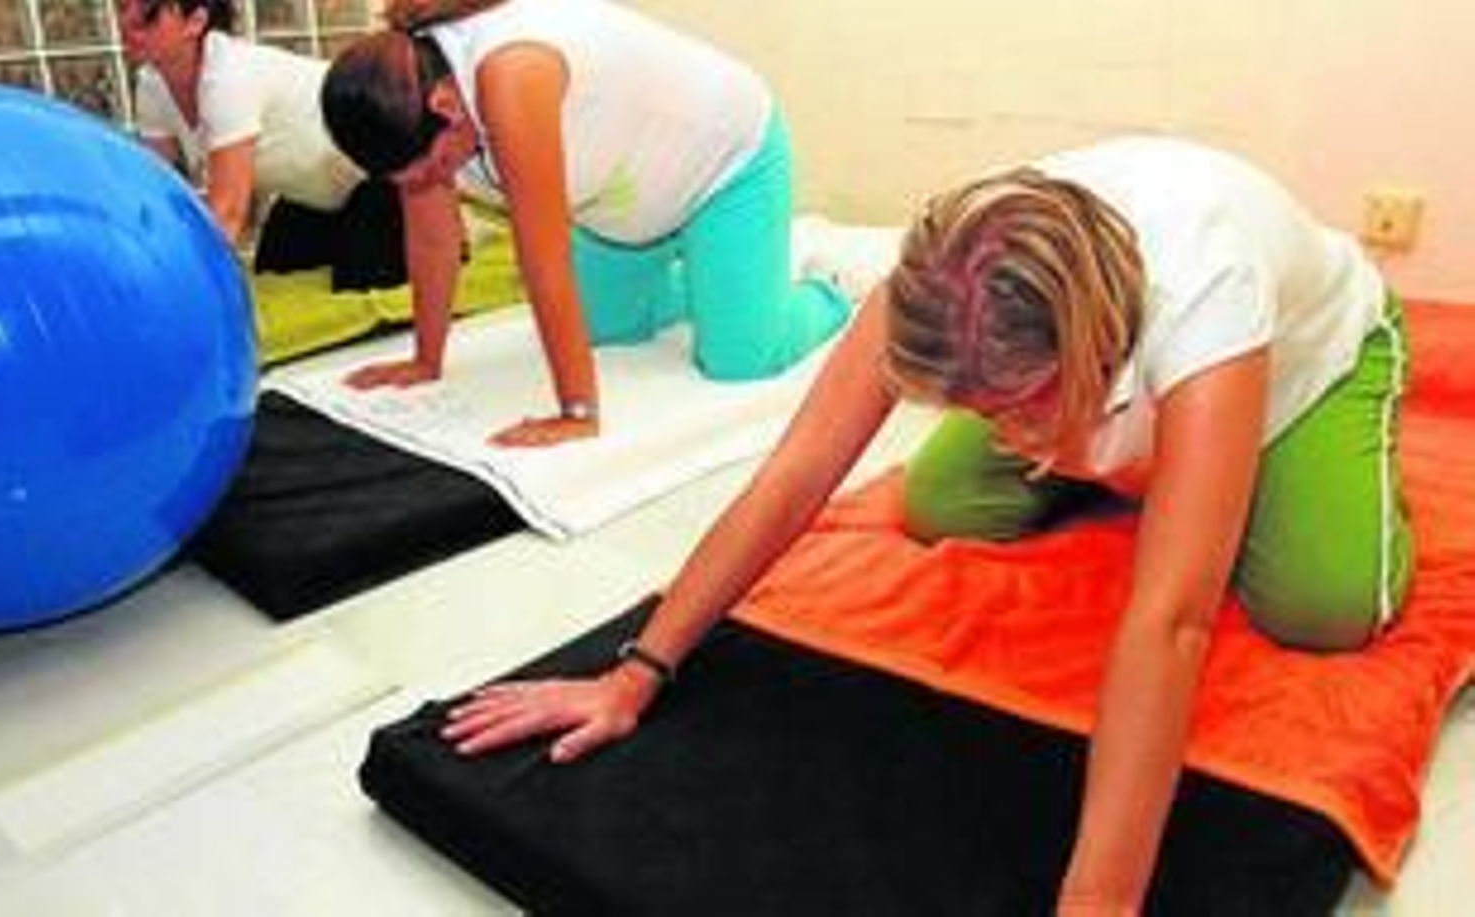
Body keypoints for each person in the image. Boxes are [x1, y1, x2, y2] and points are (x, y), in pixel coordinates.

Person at [438, 135, 1415, 912]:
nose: (1008, 433)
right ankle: (1132, 458)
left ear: (1088, 349)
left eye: (1021, 406)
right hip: (1101, 371)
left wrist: (1097, 899)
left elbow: (1171, 620)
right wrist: (635, 671)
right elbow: (797, 471)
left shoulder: (1209, 297)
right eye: (982, 409)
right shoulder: (948, 273)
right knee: (941, 504)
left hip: (1304, 370)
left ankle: (1247, 446)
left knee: (1321, 603)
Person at [319, 0, 850, 448]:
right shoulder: (408, 97)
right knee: (606, 329)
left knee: (741, 359)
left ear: (445, 106)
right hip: (621, 206)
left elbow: (543, 261)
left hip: (724, 165)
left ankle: (828, 290)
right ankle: (720, 282)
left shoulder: (510, 73)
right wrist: (424, 361)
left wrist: (577, 413)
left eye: (434, 168)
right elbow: (434, 240)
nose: (434, 180)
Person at [118, 0, 405, 291]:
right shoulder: (152, 84)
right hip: (319, 199)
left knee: (361, 282)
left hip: (388, 183)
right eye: (122, 7)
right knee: (274, 273)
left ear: (196, 21)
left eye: (149, 15)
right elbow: (155, 195)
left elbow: (228, 214)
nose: (126, 25)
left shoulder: (228, 75)